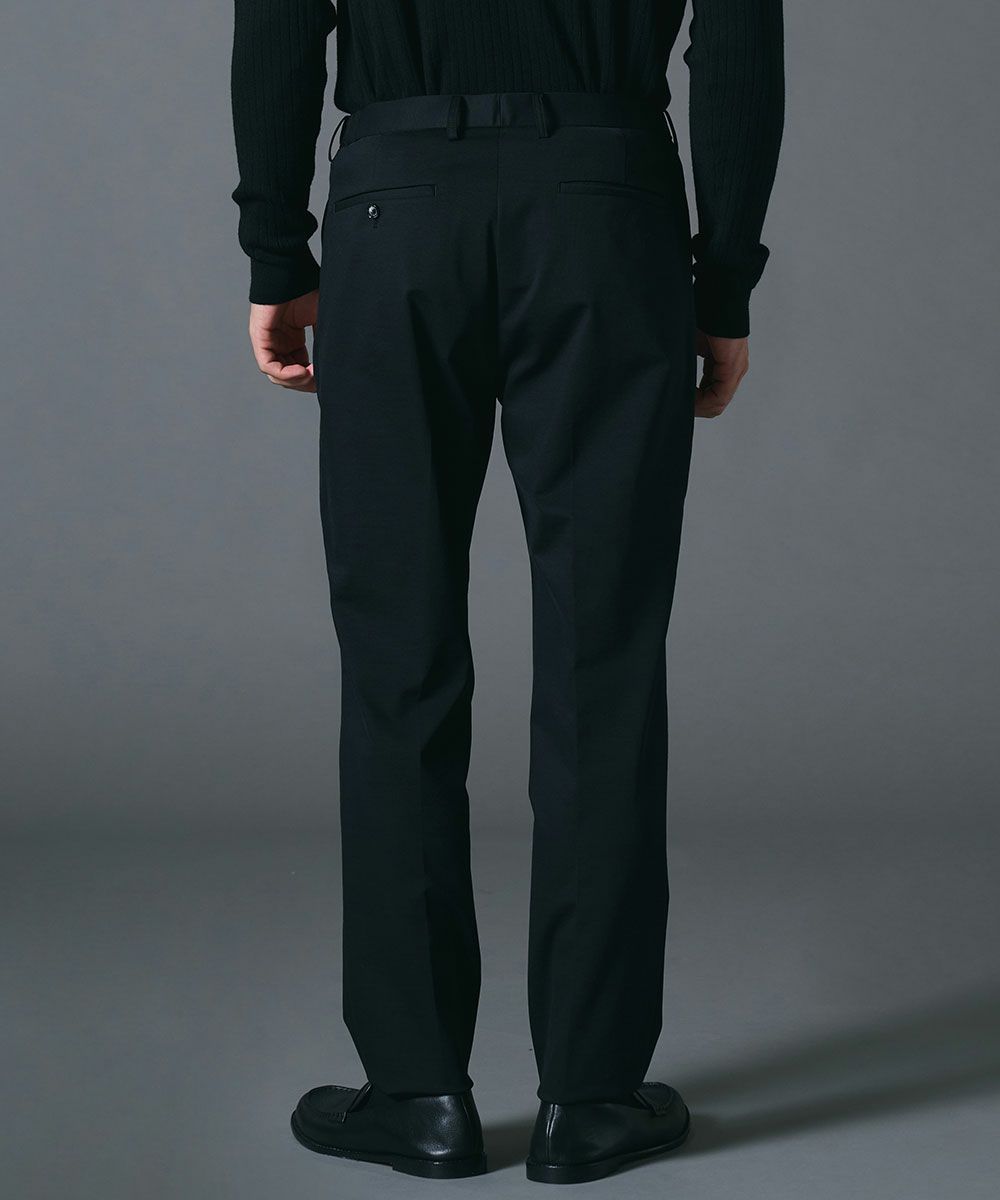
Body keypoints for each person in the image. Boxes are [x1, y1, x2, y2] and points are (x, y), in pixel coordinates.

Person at [231, 0, 783, 1184]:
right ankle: (592, 1097)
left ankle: (416, 1093)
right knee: (604, 665)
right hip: (606, 208)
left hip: (394, 209)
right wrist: (724, 279)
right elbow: (738, 36)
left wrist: (277, 251)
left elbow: (279, 21)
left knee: (397, 663)